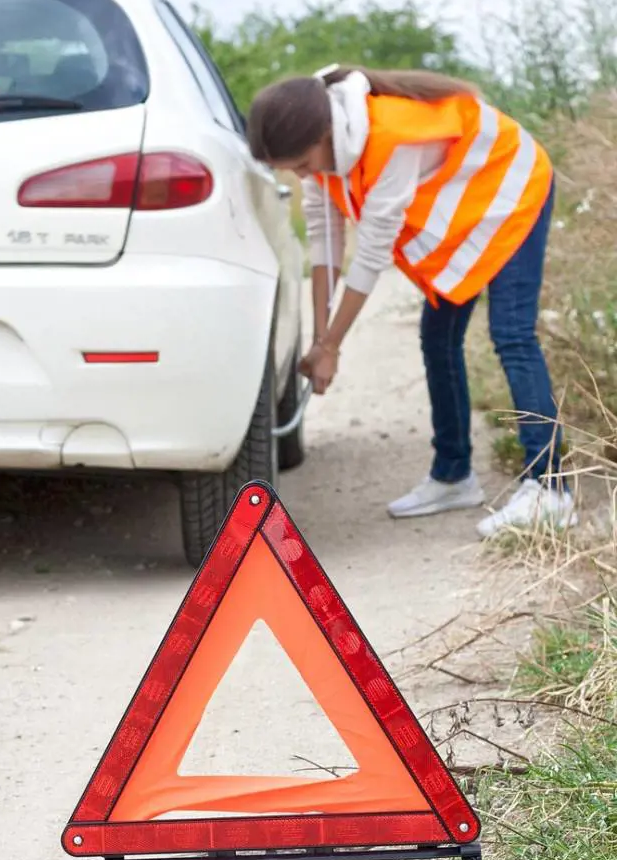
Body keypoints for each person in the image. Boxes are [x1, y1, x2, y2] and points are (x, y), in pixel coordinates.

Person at [246, 64, 577, 538]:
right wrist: (321, 339)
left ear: (323, 135)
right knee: (437, 340)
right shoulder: (324, 143)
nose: (302, 176)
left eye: (301, 164)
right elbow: (324, 244)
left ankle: (552, 490)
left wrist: (333, 348)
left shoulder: (389, 140)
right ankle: (453, 475)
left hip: (513, 189)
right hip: (468, 210)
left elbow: (370, 256)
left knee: (512, 335)